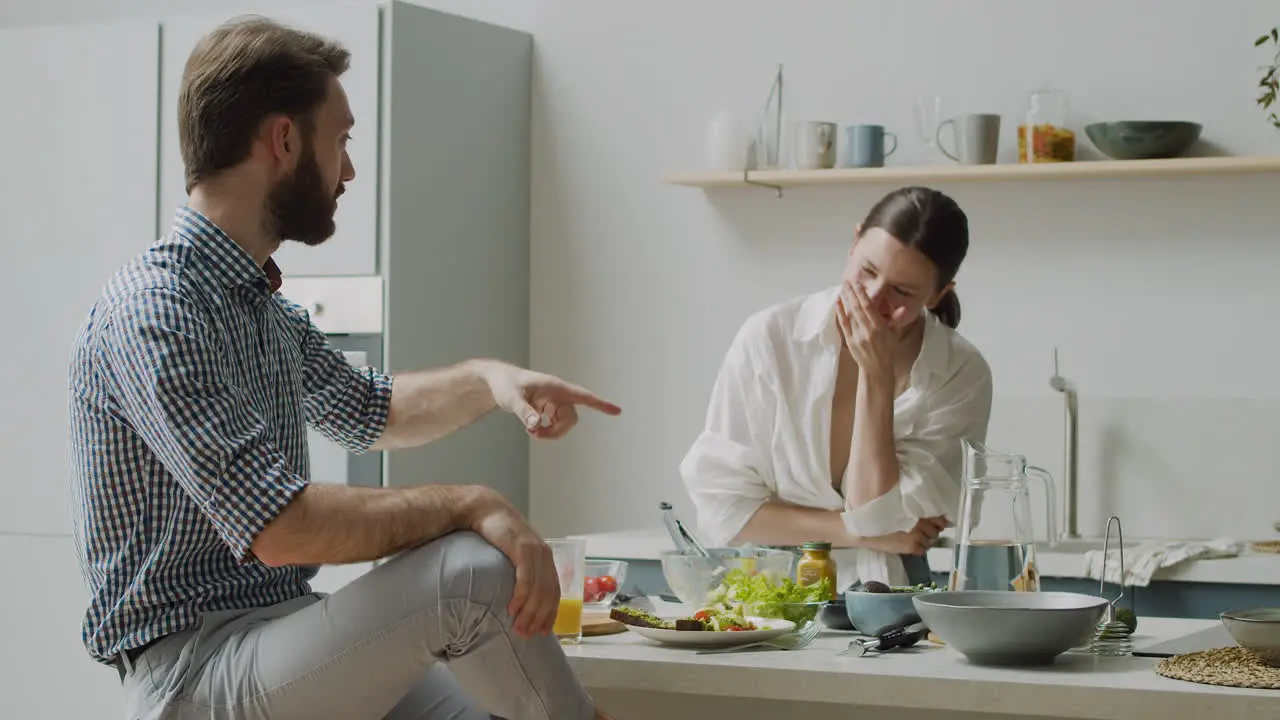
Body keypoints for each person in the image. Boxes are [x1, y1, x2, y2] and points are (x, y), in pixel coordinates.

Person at [67, 16, 620, 720]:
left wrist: (492, 381)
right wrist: (471, 503)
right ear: (284, 140)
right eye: (343, 138)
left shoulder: (261, 308)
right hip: (196, 672)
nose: (350, 170)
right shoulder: (156, 311)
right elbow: (280, 528)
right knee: (471, 574)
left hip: (281, 636)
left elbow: (373, 410)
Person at [679, 186, 994, 590]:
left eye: (902, 292)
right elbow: (724, 512)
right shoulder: (771, 339)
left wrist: (875, 377)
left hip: (891, 607)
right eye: (867, 270)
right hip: (768, 601)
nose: (873, 299)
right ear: (854, 241)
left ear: (937, 296)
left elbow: (884, 517)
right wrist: (851, 532)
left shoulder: (960, 372)